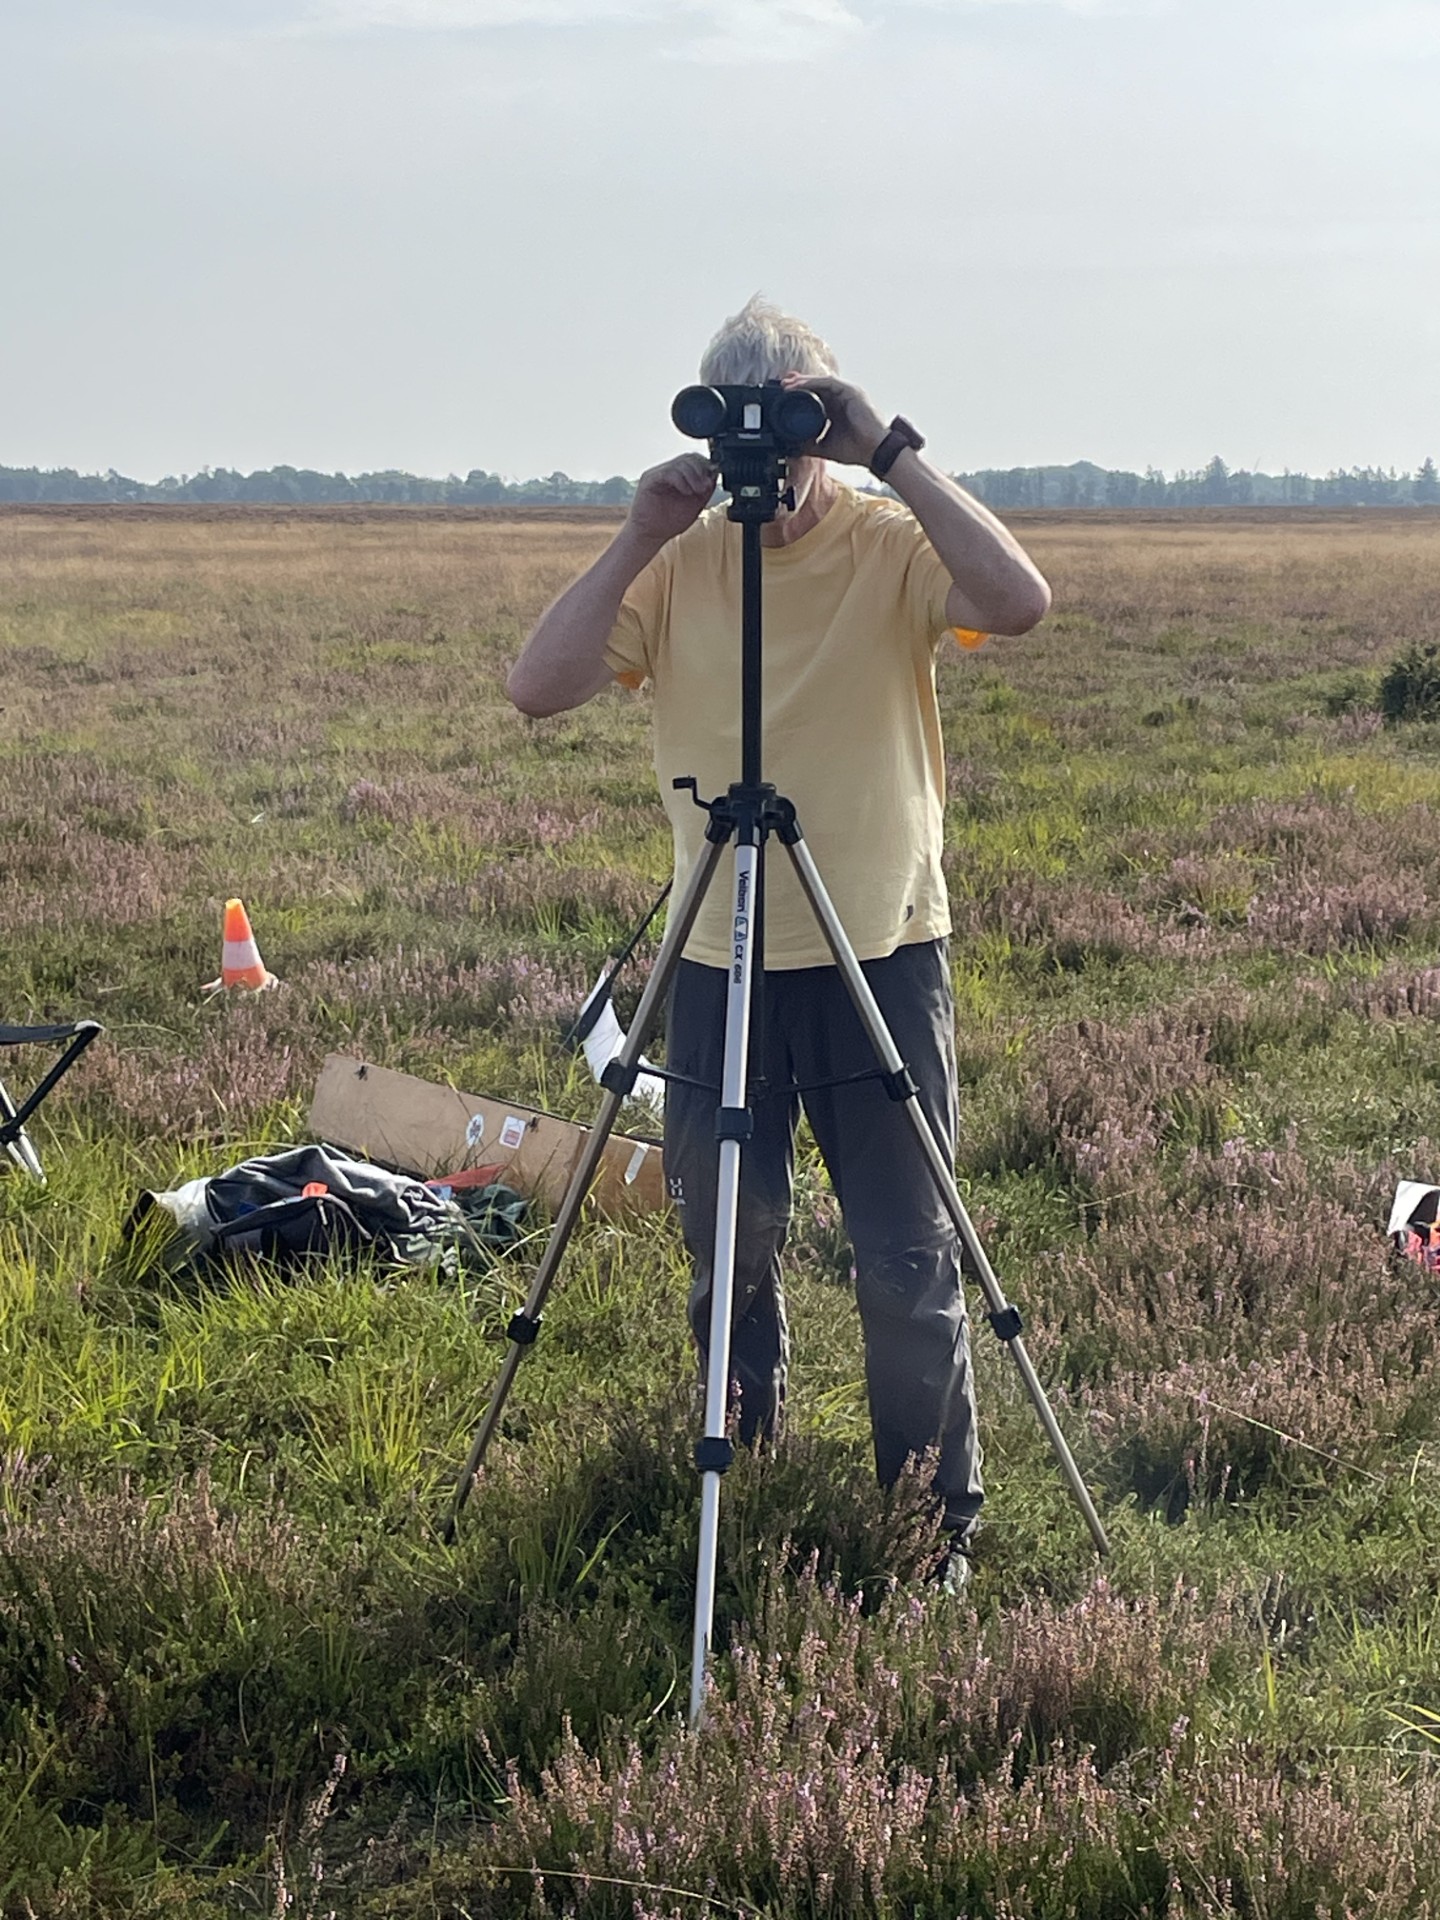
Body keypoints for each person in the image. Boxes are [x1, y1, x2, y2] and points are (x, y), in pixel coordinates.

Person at [506, 296, 1051, 1580]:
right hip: (721, 956)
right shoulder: (682, 563)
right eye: (747, 428)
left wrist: (887, 445)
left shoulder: (886, 541)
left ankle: (931, 1522)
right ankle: (735, 1464)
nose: (775, 464)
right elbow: (537, 687)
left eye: (796, 426)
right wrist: (641, 529)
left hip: (880, 947)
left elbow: (1018, 600)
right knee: (726, 1242)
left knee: (906, 1256)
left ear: (825, 421)